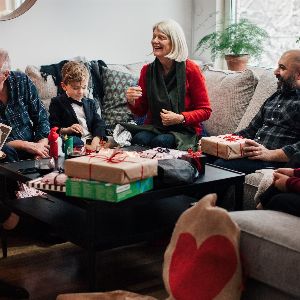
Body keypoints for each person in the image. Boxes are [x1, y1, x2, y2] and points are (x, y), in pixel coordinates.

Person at [125, 19, 211, 150]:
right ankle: (141, 170)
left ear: (175, 42)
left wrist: (181, 118)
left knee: (161, 141)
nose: (154, 41)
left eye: (161, 37)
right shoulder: (147, 71)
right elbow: (141, 110)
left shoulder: (191, 69)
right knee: (139, 139)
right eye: (154, 36)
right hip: (155, 126)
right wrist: (132, 101)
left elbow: (205, 111)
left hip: (185, 129)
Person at [213, 49, 300, 174]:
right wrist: (220, 141)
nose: (275, 72)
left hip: (274, 161)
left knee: (220, 166)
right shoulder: (275, 96)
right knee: (205, 156)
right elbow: (251, 130)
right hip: (253, 154)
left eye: (282, 68)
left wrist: (271, 154)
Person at [0, 49, 50, 162]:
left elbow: (42, 118)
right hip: (9, 149)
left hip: (34, 143)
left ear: (6, 74)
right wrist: (27, 145)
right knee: (5, 151)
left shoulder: (21, 81)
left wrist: (40, 147)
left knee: (72, 142)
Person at [49, 61, 107, 150]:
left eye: (84, 87)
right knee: (73, 141)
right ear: (64, 86)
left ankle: (93, 147)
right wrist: (68, 129)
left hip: (90, 138)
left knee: (108, 138)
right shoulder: (57, 102)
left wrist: (96, 139)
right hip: (71, 138)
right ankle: (88, 148)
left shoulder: (90, 102)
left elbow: (98, 123)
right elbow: (53, 127)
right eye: (75, 88)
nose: (80, 91)